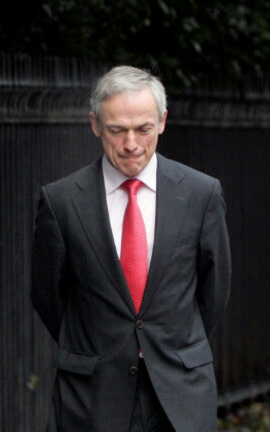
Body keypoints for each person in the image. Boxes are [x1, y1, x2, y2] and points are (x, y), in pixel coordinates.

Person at [31, 65, 231, 432]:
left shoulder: (202, 194)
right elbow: (48, 294)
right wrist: (95, 343)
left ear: (163, 121)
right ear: (94, 124)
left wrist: (174, 342)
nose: (131, 144)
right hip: (91, 395)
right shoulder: (60, 201)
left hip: (180, 391)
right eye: (116, 130)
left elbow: (213, 291)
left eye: (143, 129)